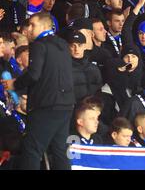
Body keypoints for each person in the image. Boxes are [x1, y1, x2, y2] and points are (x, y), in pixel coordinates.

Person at [2, 12, 75, 170]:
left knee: (32, 150)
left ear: (44, 26)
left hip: (46, 106)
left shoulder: (39, 45)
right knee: (59, 150)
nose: (28, 28)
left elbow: (34, 74)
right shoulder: (62, 44)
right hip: (66, 105)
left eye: (32, 25)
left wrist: (14, 84)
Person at [67, 31, 102, 104]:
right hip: (72, 109)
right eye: (73, 45)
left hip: (92, 109)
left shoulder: (93, 68)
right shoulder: (63, 69)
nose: (76, 49)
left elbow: (99, 91)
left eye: (79, 45)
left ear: (84, 46)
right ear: (68, 47)